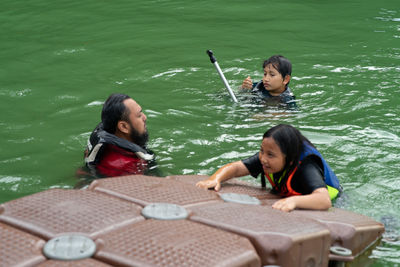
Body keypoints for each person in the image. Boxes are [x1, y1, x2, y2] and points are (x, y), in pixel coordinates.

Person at [196, 124, 341, 212]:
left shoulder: (306, 167)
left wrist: (293, 201)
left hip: (335, 203)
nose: (263, 159)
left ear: (289, 159)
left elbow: (324, 200)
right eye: (261, 151)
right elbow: (236, 168)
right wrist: (216, 178)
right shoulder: (266, 158)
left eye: (270, 155)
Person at [82, 93, 155, 178]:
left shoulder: (106, 141)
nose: (144, 117)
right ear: (123, 127)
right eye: (139, 115)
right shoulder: (127, 167)